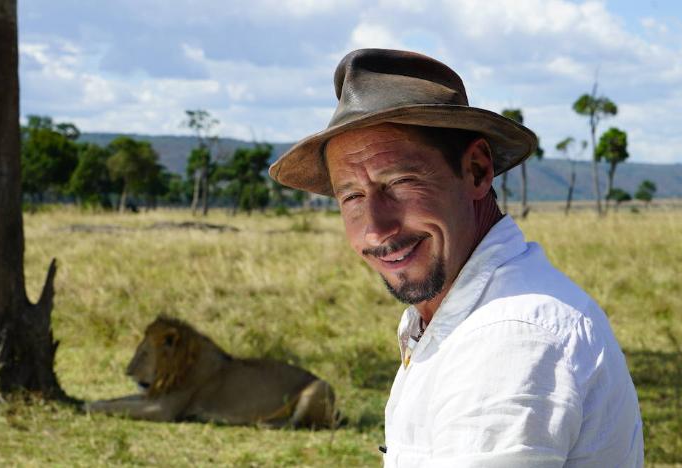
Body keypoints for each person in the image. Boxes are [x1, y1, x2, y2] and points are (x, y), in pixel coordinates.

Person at [269, 49, 643, 467]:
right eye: (352, 196)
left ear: (478, 171)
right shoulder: (454, 317)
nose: (376, 228)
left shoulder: (507, 339)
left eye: (399, 182)